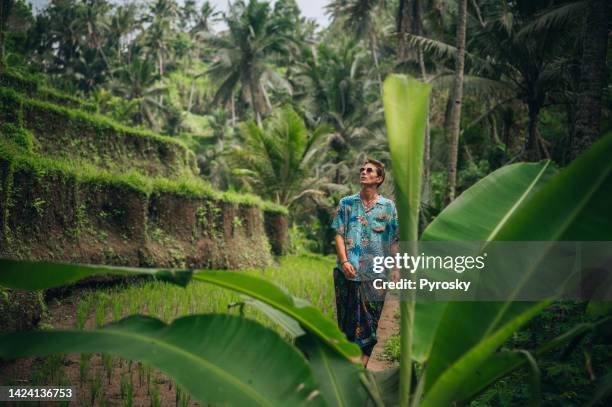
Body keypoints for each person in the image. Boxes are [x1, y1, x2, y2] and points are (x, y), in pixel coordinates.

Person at [331, 158, 399, 367]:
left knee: (370, 326)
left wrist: (396, 268)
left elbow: (394, 240)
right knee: (347, 326)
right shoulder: (347, 204)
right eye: (362, 169)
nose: (363, 172)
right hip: (347, 275)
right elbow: (339, 235)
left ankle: (361, 369)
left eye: (369, 170)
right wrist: (344, 261)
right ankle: (351, 369)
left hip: (375, 277)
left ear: (378, 178)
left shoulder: (388, 207)